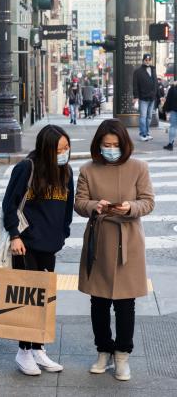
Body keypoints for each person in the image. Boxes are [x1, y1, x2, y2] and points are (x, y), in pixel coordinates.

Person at [74, 119, 154, 381]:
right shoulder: (88, 169)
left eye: (115, 145)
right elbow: (80, 202)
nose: (110, 149)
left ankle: (122, 356)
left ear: (124, 144)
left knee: (125, 303)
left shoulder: (139, 168)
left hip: (128, 240)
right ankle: (103, 351)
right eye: (106, 145)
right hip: (99, 238)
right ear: (98, 144)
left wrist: (129, 207)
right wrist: (95, 206)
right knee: (98, 300)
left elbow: (148, 202)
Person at [2, 124, 74, 376]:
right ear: (46, 149)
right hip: (26, 245)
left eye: (67, 148)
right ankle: (23, 351)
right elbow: (9, 204)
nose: (64, 153)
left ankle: (38, 348)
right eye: (59, 149)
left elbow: (68, 207)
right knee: (27, 298)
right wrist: (14, 235)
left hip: (49, 245)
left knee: (44, 298)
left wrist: (63, 234)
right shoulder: (26, 168)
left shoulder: (66, 171)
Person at [132, 53, 158, 141]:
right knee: (143, 117)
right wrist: (135, 96)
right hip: (143, 98)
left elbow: (156, 83)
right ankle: (142, 134)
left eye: (149, 60)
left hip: (152, 98)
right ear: (143, 60)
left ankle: (146, 133)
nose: (147, 61)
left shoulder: (153, 69)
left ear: (151, 60)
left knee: (149, 117)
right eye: (146, 60)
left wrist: (158, 95)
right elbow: (135, 85)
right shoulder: (138, 71)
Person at [163, 81, 177, 151]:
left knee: (173, 126)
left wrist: (166, 109)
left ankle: (170, 144)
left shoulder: (173, 88)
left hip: (174, 109)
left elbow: (168, 99)